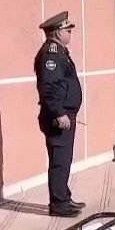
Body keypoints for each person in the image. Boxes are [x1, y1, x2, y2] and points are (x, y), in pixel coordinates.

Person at [35, 11, 85, 217]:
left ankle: (64, 196)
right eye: (67, 30)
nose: (70, 33)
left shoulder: (60, 52)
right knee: (59, 160)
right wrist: (58, 113)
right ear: (56, 33)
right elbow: (49, 88)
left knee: (64, 159)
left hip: (65, 116)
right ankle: (58, 204)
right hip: (59, 118)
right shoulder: (51, 55)